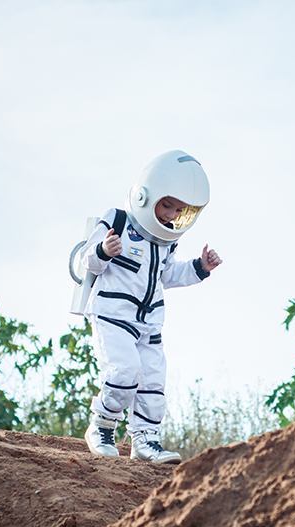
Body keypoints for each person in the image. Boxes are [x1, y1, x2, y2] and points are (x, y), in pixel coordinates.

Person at [79, 150, 222, 464]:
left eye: (178, 210)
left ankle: (145, 441)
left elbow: (167, 276)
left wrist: (201, 266)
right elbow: (85, 259)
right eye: (167, 204)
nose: (171, 214)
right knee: (125, 371)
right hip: (113, 316)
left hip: (149, 323)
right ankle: (101, 426)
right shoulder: (117, 220)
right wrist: (103, 250)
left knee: (153, 381)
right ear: (147, 195)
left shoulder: (166, 240)